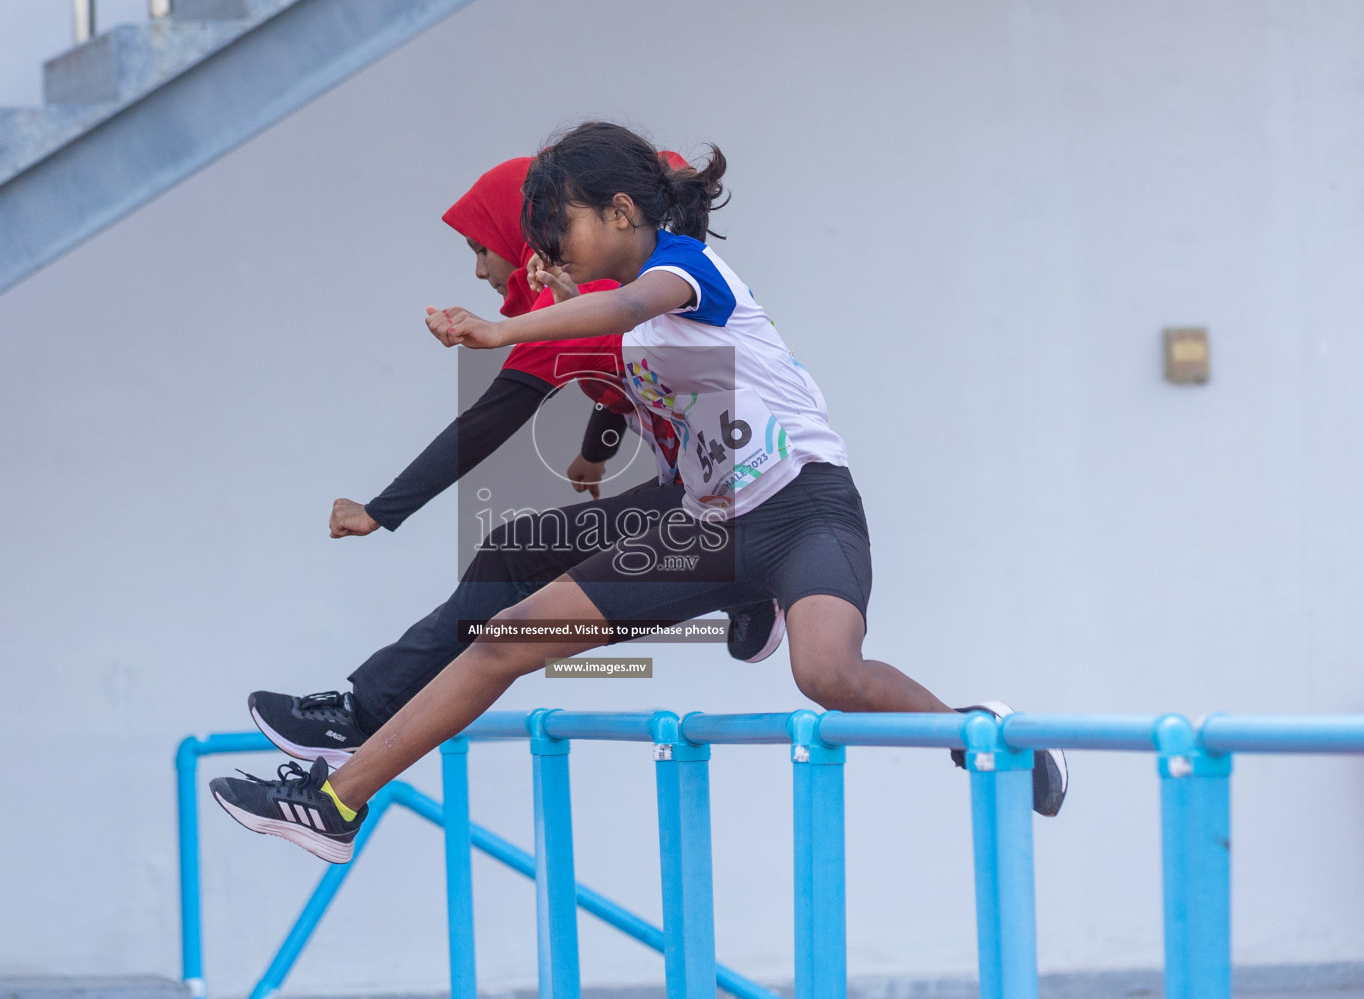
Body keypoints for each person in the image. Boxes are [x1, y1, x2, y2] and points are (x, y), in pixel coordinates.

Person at [212, 123, 1067, 863]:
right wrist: (591, 445)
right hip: (703, 527)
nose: (547, 252)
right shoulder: (612, 307)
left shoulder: (687, 272)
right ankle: (332, 804)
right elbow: (640, 389)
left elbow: (626, 306)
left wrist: (503, 326)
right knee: (504, 636)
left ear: (621, 211)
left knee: (828, 673)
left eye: (560, 229)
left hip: (802, 509)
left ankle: (972, 733)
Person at [249, 156, 783, 765]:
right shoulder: (592, 290)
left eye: (482, 248)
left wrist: (379, 510)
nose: (480, 269)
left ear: (521, 229)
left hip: (730, 491)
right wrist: (592, 454)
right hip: (706, 483)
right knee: (514, 559)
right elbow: (620, 382)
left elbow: (488, 422)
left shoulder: (583, 303)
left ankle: (362, 716)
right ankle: (751, 592)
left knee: (510, 565)